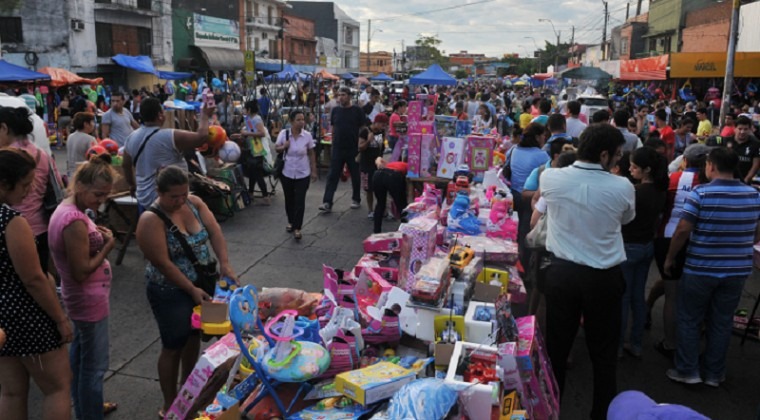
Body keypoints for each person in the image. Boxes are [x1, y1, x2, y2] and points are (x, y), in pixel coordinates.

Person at [540, 123, 634, 419]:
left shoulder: (551, 177)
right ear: (605, 155)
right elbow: (626, 219)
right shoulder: (623, 186)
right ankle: (601, 413)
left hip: (561, 275)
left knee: (556, 351)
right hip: (603, 278)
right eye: (618, 156)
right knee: (604, 356)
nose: (619, 161)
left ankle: (551, 409)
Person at [136, 166, 238, 417]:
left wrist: (224, 263)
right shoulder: (151, 219)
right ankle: (169, 402)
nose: (180, 200)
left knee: (194, 336)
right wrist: (190, 289)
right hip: (169, 289)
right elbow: (162, 262)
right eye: (174, 196)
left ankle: (188, 390)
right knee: (174, 343)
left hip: (204, 282)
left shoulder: (194, 203)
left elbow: (214, 231)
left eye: (184, 194)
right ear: (159, 192)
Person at [664, 147, 760, 387]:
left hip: (700, 267)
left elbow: (682, 230)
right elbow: (756, 231)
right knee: (722, 321)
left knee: (690, 318)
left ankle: (688, 370)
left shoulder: (701, 194)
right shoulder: (754, 195)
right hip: (737, 270)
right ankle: (714, 374)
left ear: (712, 167)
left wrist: (669, 257)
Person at [0, 149, 73, 420]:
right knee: (58, 387)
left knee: (11, 392)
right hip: (27, 313)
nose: (30, 191)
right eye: (25, 185)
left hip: (2, 318)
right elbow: (33, 279)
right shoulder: (11, 221)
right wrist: (60, 319)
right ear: (5, 184)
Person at [49, 159, 118, 419]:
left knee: (81, 361)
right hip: (88, 302)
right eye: (98, 194)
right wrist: (107, 246)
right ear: (80, 186)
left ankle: (86, 409)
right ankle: (90, 413)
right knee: (94, 368)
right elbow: (81, 270)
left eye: (106, 194)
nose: (101, 200)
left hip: (83, 300)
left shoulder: (69, 210)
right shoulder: (73, 220)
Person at [647, 144, 709, 358]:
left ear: (684, 161)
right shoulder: (711, 183)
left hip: (666, 238)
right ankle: (693, 338)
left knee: (672, 294)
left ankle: (670, 342)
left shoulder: (672, 179)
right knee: (697, 294)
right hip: (698, 241)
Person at [123, 97, 214, 211]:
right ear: (160, 115)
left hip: (144, 200)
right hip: (170, 200)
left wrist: (132, 185)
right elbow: (201, 137)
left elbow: (126, 165)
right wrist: (205, 115)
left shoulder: (131, 138)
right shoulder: (169, 136)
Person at [619, 147, 667, 358]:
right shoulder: (660, 190)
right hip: (647, 247)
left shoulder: (635, 192)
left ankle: (618, 346)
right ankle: (636, 343)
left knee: (623, 298)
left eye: (634, 166)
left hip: (629, 248)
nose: (630, 169)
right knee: (638, 297)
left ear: (646, 169)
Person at [0, 106, 60, 274]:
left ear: (4, 128)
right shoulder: (42, 154)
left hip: (10, 232)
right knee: (37, 277)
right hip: (40, 230)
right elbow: (58, 188)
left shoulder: (5, 158)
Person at [319, 87, 365, 212]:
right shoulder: (335, 111)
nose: (341, 97)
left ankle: (356, 199)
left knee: (355, 175)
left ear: (349, 96)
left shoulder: (357, 110)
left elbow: (363, 129)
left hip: (353, 148)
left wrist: (361, 145)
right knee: (332, 175)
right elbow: (333, 129)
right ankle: (327, 202)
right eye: (339, 95)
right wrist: (333, 143)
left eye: (343, 94)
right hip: (338, 148)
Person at [275, 110, 318, 240]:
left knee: (300, 200)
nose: (301, 122)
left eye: (302, 120)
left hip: (302, 172)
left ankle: (297, 227)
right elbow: (277, 148)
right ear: (291, 121)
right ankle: (291, 221)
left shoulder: (307, 136)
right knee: (289, 199)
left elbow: (311, 153)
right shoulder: (284, 134)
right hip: (287, 172)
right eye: (298, 120)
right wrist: (284, 146)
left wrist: (314, 170)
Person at [234, 100, 271, 204]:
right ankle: (251, 193)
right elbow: (251, 133)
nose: (244, 110)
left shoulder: (256, 119)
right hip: (252, 149)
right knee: (252, 172)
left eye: (245, 108)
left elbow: (261, 133)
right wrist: (240, 135)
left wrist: (246, 132)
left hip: (257, 150)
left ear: (249, 109)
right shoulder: (249, 119)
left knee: (257, 173)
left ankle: (265, 196)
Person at [358, 114, 388, 218]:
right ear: (376, 122)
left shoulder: (381, 132)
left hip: (378, 164)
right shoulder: (365, 131)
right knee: (369, 189)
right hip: (366, 165)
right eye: (382, 125)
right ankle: (370, 210)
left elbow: (382, 147)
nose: (383, 127)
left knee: (380, 188)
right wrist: (368, 141)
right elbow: (360, 147)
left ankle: (381, 209)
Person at [372, 158, 408, 234]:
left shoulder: (392, 163)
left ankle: (376, 231)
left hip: (378, 175)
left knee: (380, 204)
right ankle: (406, 230)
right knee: (401, 205)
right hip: (393, 175)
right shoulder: (408, 166)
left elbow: (378, 159)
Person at [724, 116, 760, 184]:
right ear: (735, 128)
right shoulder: (726, 141)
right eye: (740, 129)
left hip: (745, 181)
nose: (742, 132)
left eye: (745, 129)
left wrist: (746, 180)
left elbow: (756, 164)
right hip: (727, 180)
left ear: (749, 130)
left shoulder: (756, 144)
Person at [66, 112, 98, 177]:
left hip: (71, 173)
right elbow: (95, 158)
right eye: (92, 122)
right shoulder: (90, 139)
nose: (94, 125)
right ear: (86, 124)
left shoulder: (70, 137)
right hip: (84, 174)